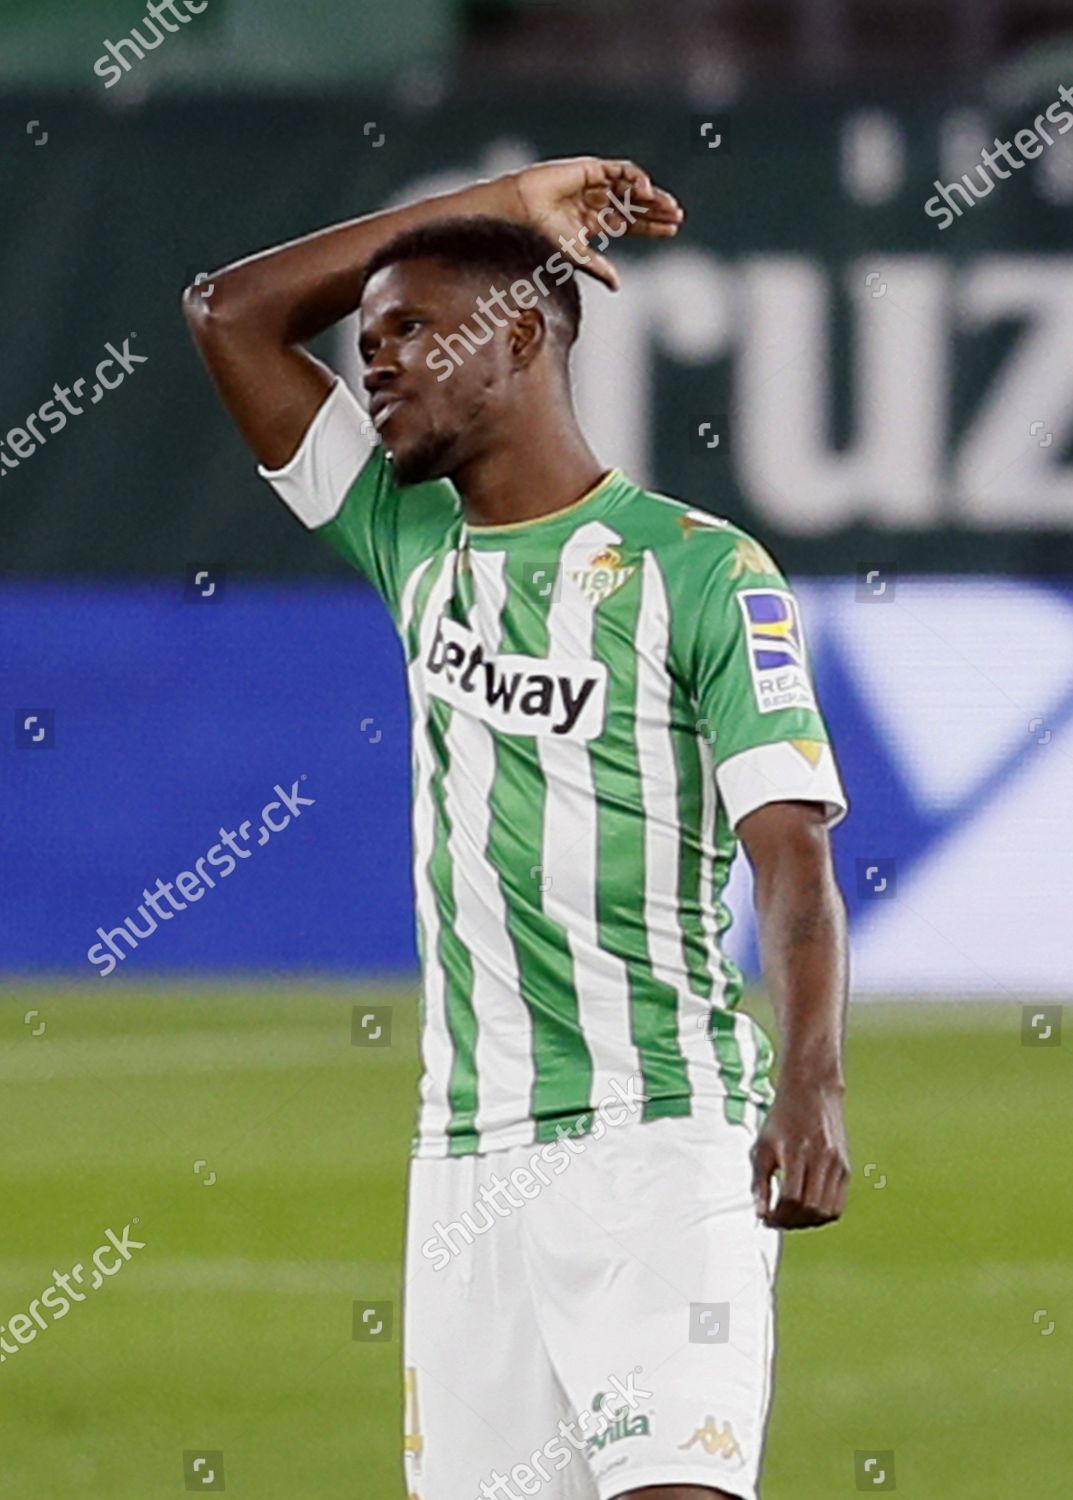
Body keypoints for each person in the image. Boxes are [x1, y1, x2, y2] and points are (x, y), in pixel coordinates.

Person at [184, 154, 851, 1500]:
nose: (373, 368)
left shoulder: (700, 569)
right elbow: (228, 315)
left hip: (669, 1142)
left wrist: (810, 1077)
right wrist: (486, 202)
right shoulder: (402, 533)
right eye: (364, 345)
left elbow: (790, 855)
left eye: (412, 333)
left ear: (525, 338)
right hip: (470, 1163)